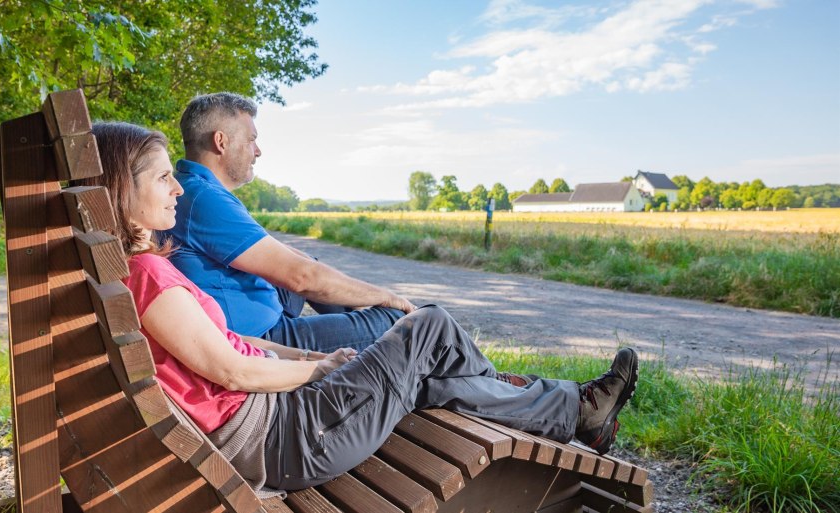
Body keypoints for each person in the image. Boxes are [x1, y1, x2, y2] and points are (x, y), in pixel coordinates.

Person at [77, 121, 639, 495]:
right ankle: (561, 405)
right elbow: (232, 371)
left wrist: (305, 358)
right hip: (286, 438)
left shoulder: (133, 275)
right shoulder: (146, 276)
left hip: (277, 425)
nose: (177, 188)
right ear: (121, 191)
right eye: (163, 178)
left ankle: (572, 410)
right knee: (428, 327)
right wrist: (317, 369)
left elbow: (230, 347)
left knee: (428, 373)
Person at [164, 92, 415, 354]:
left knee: (309, 264)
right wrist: (387, 297)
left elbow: (293, 260)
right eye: (251, 140)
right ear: (221, 142)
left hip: (256, 313)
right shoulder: (204, 198)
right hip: (258, 338)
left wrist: (359, 296)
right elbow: (302, 277)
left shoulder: (192, 186)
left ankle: (358, 326)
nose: (257, 151)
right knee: (398, 320)